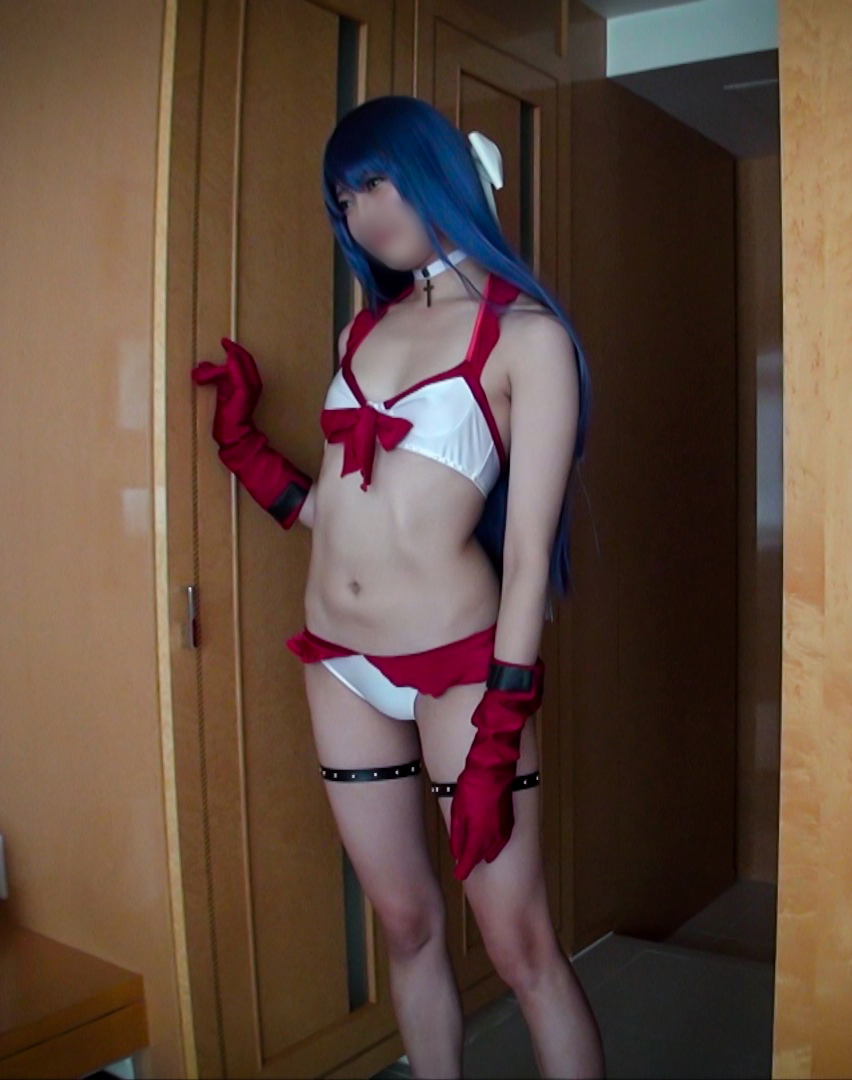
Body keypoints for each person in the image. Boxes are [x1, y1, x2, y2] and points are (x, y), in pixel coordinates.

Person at [192, 95, 604, 1079]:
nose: (364, 212)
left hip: (463, 671)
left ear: (437, 172)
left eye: (377, 182)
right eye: (345, 197)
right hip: (339, 662)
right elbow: (345, 516)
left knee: (519, 947)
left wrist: (501, 726)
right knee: (408, 926)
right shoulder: (360, 332)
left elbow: (528, 553)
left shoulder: (527, 338)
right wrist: (246, 451)